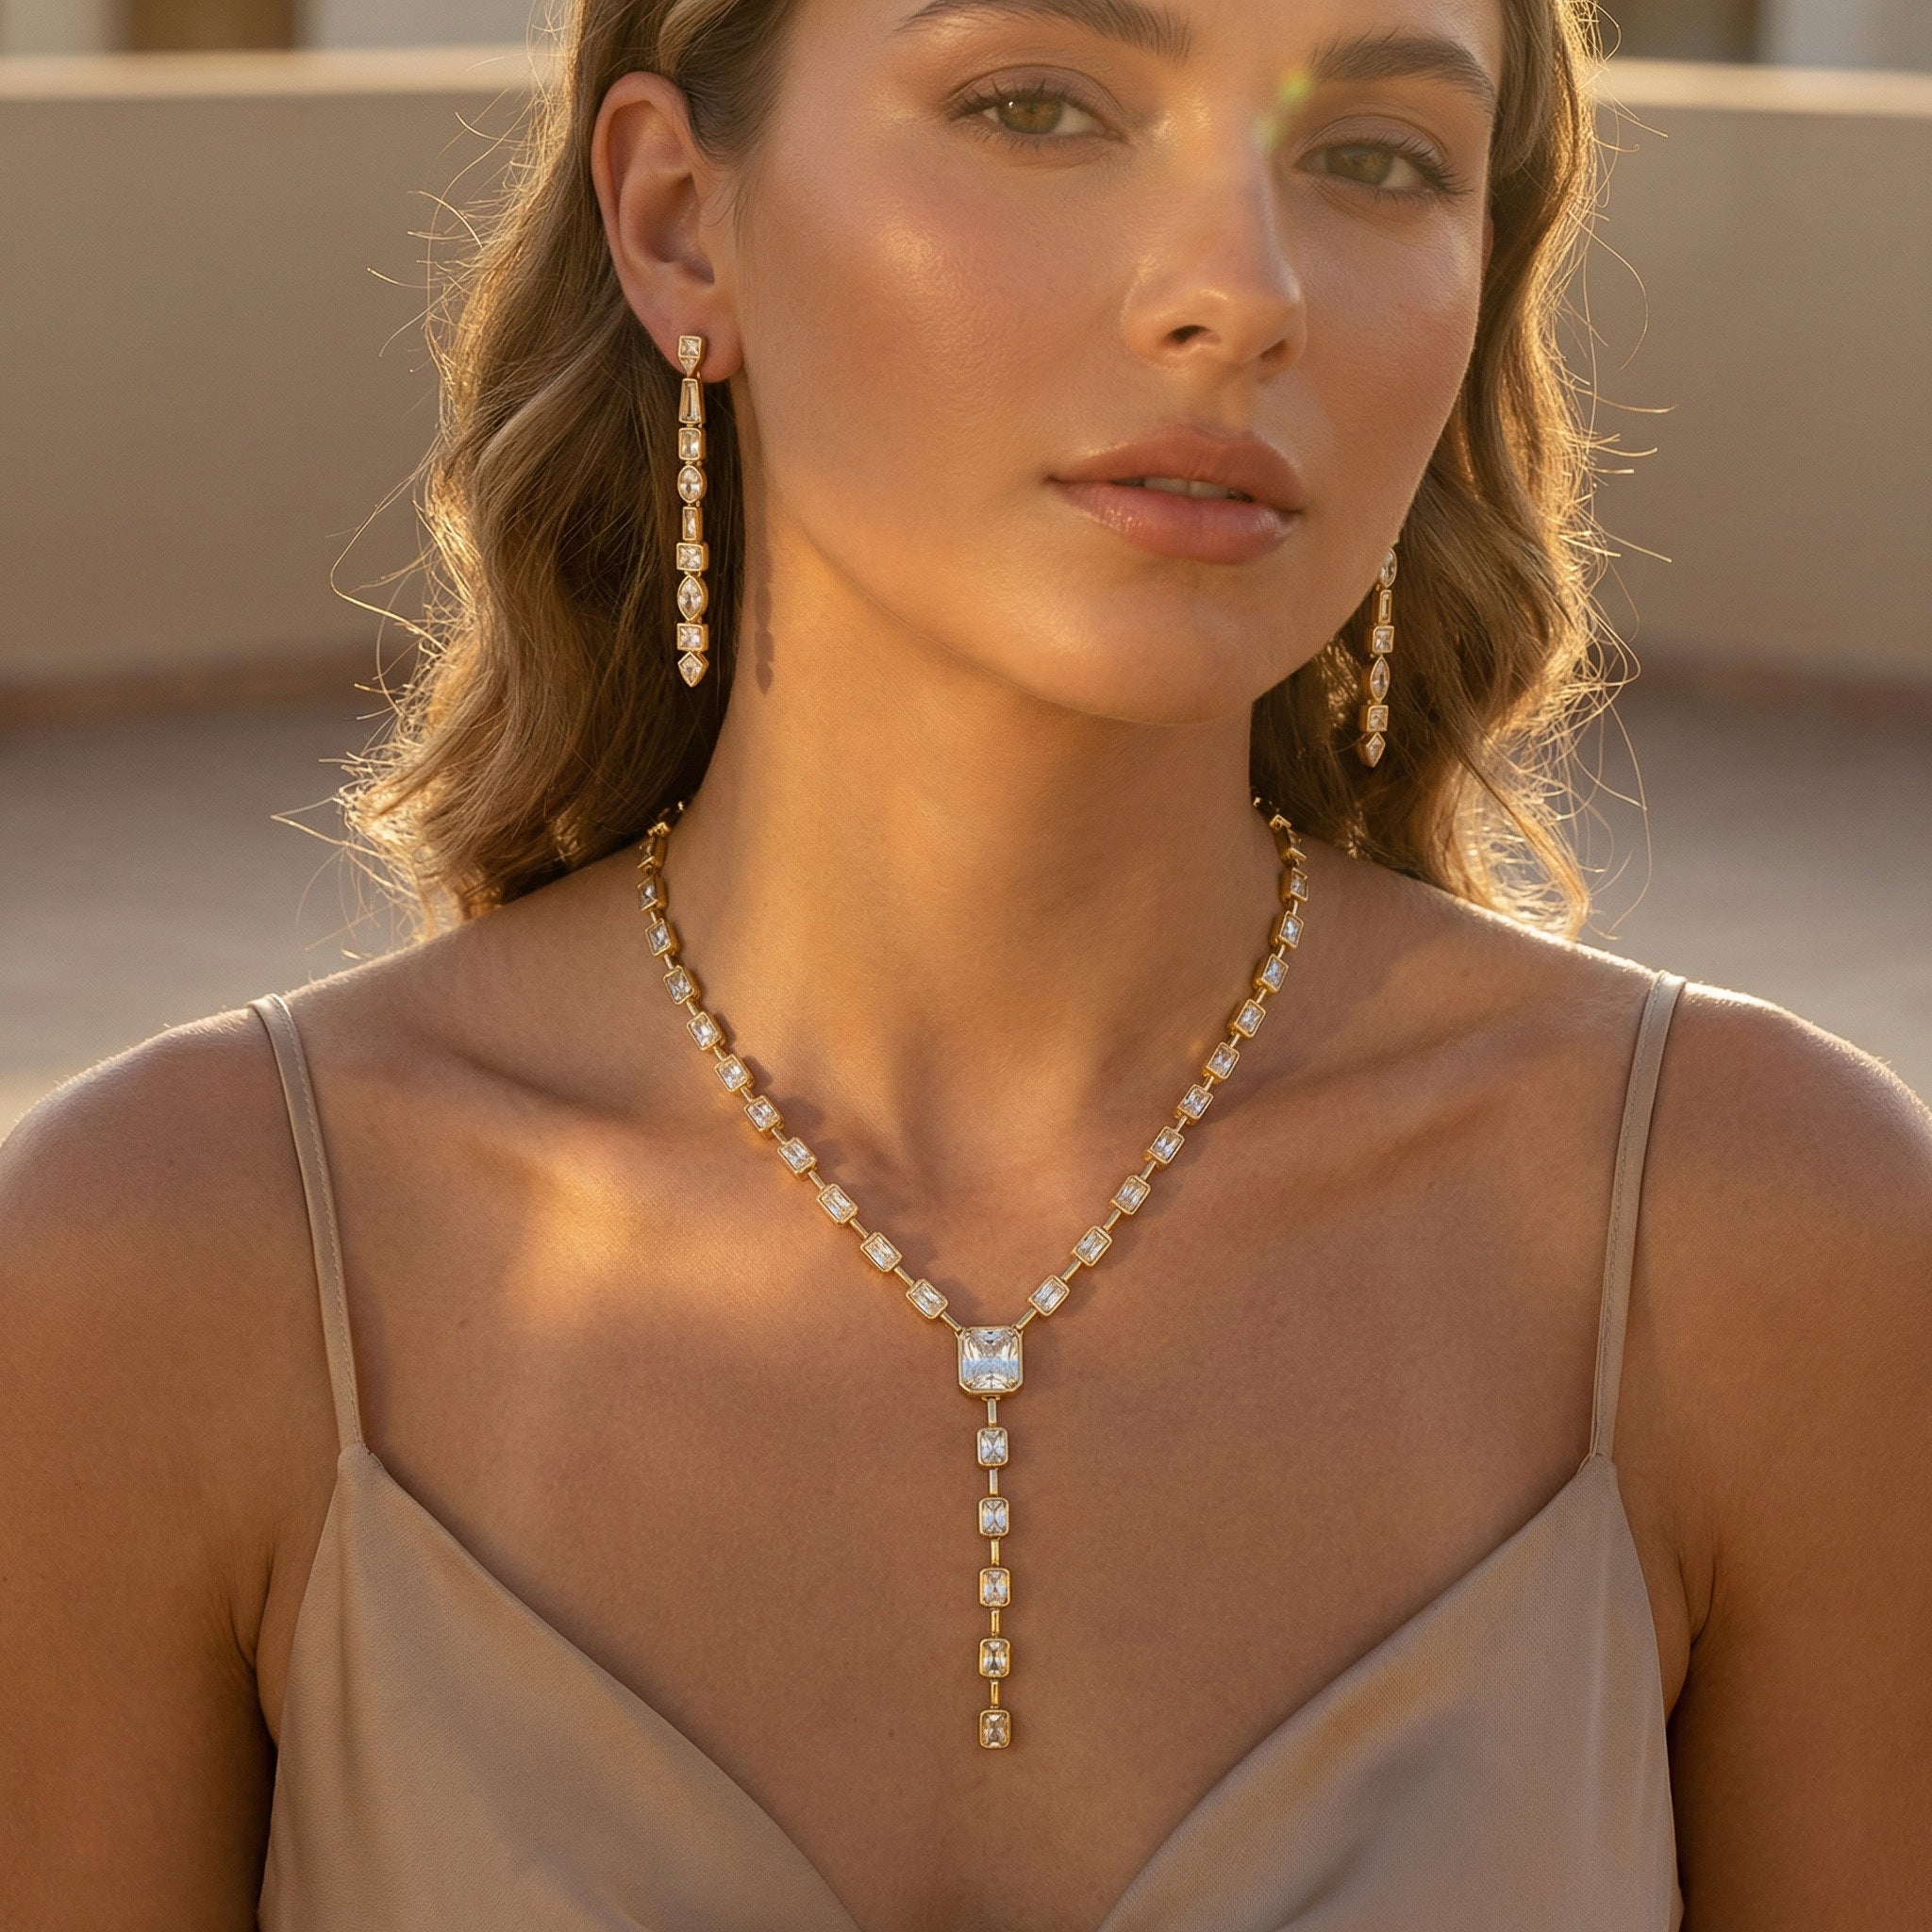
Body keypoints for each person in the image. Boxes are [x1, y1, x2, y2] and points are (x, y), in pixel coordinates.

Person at [3, 0, 1928, 1924]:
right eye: (1036, 104)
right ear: (681, 219)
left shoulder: (1755, 1255)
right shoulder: (176, 1276)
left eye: (1375, 156)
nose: (1239, 292)